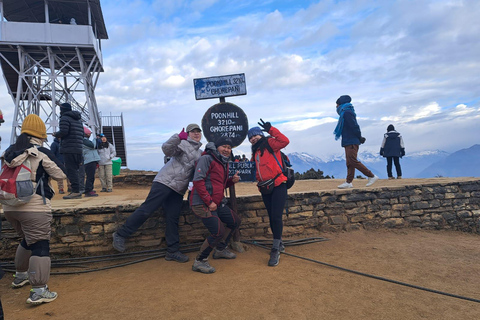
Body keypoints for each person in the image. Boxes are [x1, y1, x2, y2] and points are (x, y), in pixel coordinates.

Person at [112, 124, 203, 263]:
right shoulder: (183, 144)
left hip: (178, 189)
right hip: (164, 182)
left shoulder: (200, 153)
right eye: (193, 132)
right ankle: (120, 234)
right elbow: (166, 149)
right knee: (147, 209)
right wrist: (177, 137)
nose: (196, 134)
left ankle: (172, 251)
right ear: (188, 134)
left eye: (198, 132)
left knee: (173, 218)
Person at [1, 114, 66, 305]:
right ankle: (38, 290)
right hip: (34, 205)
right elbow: (60, 173)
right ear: (41, 133)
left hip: (9, 206)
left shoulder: (9, 151)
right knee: (39, 244)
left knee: (28, 240)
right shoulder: (40, 151)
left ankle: (21, 276)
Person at [189, 137, 241, 273]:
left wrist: (231, 181)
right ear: (216, 147)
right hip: (201, 203)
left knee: (234, 221)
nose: (227, 150)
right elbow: (198, 181)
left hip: (216, 203)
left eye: (229, 148)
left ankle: (220, 249)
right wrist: (209, 201)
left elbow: (219, 184)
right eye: (224, 146)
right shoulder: (206, 158)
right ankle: (199, 261)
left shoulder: (223, 162)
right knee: (218, 231)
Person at [248, 119, 289, 267]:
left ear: (261, 135)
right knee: (272, 216)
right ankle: (279, 242)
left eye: (255, 135)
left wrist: (271, 129)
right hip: (265, 188)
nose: (253, 138)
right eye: (251, 137)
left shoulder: (271, 143)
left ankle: (275, 247)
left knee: (276, 216)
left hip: (278, 185)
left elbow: (284, 141)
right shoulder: (256, 153)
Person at [333, 95, 379, 189]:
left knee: (353, 161)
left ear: (341, 104)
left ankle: (371, 176)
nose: (336, 106)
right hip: (348, 140)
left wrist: (359, 137)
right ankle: (348, 182)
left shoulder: (347, 113)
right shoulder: (346, 112)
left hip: (351, 140)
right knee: (349, 162)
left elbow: (354, 126)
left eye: (337, 104)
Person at [53, 103, 84, 199]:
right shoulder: (78, 120)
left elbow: (64, 132)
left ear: (62, 110)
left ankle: (75, 191)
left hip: (69, 148)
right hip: (78, 148)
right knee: (76, 170)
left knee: (71, 170)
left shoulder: (64, 118)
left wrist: (56, 134)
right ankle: (77, 190)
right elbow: (82, 134)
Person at [80, 126, 100, 197]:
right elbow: (93, 145)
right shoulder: (84, 140)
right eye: (89, 133)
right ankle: (88, 191)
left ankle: (89, 189)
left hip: (91, 160)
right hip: (89, 160)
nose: (90, 135)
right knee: (90, 177)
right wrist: (95, 138)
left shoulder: (85, 140)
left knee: (91, 176)